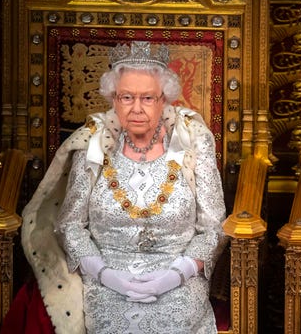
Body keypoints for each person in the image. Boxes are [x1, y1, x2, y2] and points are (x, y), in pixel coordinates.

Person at [18, 41, 227, 333]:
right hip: (106, 278)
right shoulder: (93, 143)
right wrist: (105, 275)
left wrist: (177, 275)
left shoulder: (193, 141)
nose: (137, 109)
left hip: (177, 277)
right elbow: (70, 225)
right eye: (127, 97)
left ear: (164, 99)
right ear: (113, 99)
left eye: (148, 98)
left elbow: (213, 227)